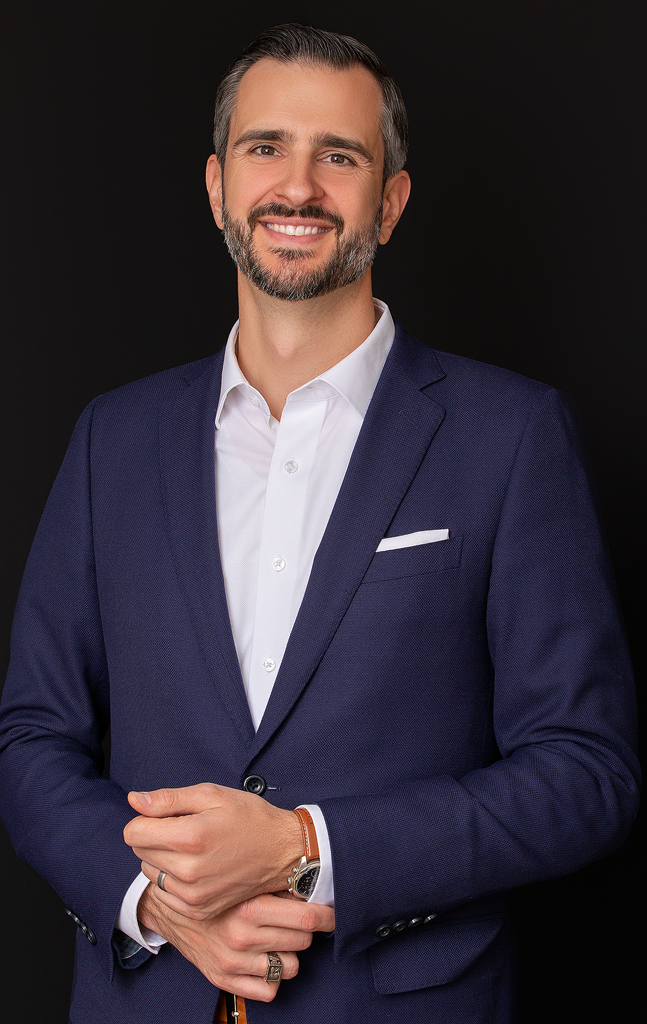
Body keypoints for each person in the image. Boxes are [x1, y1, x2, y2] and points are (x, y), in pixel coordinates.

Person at [0, 23, 639, 1024]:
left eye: (336, 156)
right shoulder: (109, 439)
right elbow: (33, 737)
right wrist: (157, 901)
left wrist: (307, 842)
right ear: (216, 185)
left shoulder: (510, 436)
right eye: (266, 148)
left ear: (388, 200)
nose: (295, 187)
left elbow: (584, 774)